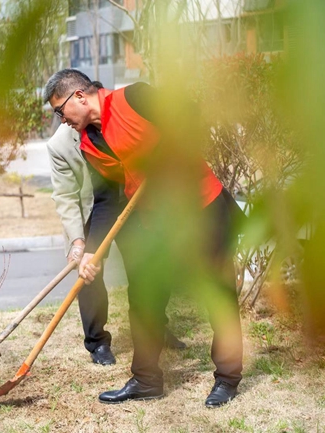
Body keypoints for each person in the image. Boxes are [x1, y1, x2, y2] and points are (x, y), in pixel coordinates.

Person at [44, 69, 243, 408]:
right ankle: (147, 379)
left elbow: (189, 114)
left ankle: (227, 378)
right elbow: (107, 199)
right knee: (144, 297)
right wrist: (92, 250)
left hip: (202, 209)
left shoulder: (134, 98)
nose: (62, 121)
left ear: (79, 96)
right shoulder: (90, 144)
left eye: (60, 111)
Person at [47, 123, 186, 365]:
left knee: (147, 268)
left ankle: (154, 327)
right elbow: (66, 196)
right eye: (60, 113)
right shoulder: (59, 145)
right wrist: (78, 242)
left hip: (129, 204)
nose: (64, 118)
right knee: (89, 276)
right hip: (90, 211)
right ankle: (97, 341)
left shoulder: (115, 119)